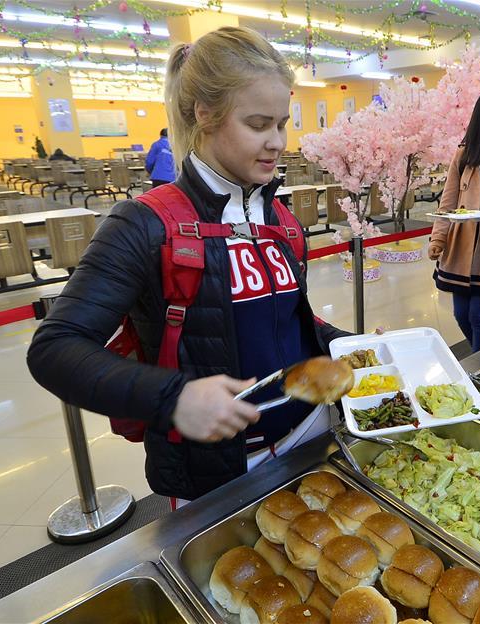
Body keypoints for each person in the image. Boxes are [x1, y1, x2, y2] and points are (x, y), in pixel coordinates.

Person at [27, 27, 347, 505]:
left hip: (314, 436)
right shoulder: (145, 223)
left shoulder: (278, 217)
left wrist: (351, 346)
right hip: (222, 472)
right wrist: (173, 396)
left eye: (282, 123)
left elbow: (283, 320)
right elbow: (54, 348)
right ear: (205, 114)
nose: (277, 142)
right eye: (258, 124)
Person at [428, 90, 480, 352]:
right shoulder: (463, 155)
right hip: (461, 247)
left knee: (478, 313)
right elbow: (448, 202)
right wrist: (438, 239)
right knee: (460, 314)